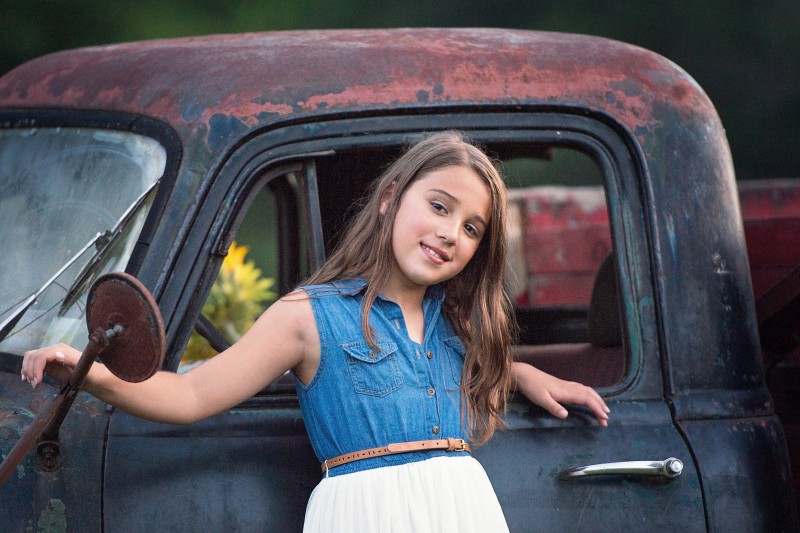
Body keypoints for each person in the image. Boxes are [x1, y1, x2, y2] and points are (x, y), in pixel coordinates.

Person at [22, 131, 609, 532]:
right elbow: (193, 394)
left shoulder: (456, 322)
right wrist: (87, 371)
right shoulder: (308, 316)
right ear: (388, 201)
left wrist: (525, 373)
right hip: (362, 512)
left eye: (472, 227)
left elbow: (464, 372)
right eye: (438, 205)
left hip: (464, 510)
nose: (451, 231)